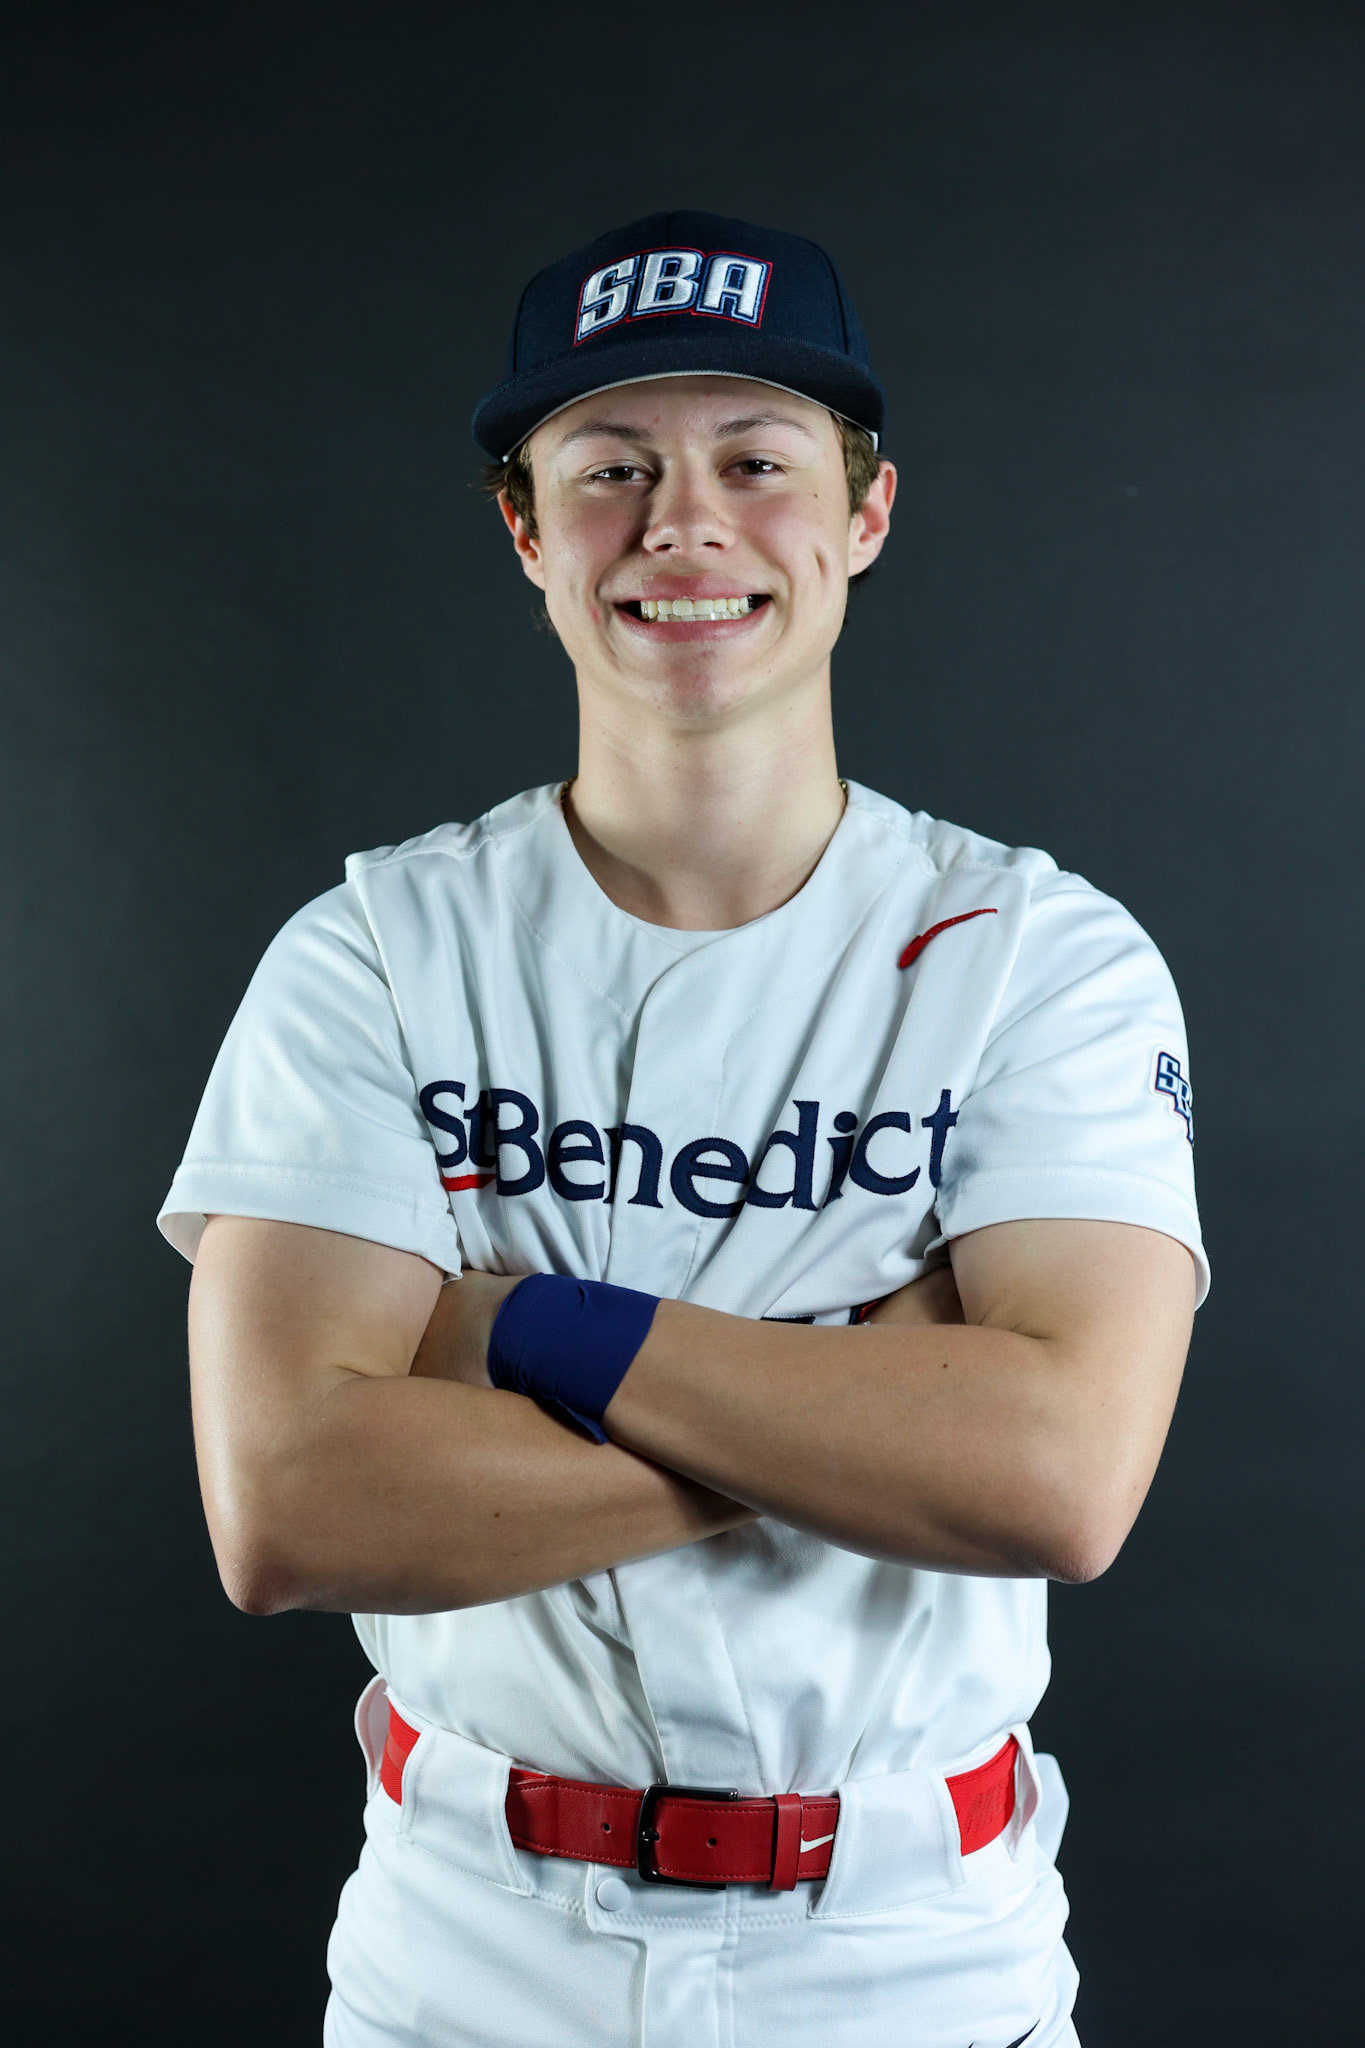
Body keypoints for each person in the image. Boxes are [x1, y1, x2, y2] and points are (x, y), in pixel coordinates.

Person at [159, 211, 1206, 2048]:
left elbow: (1055, 1482)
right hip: (470, 1953)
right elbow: (292, 1506)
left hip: (908, 1954)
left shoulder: (1038, 953)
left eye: (756, 460)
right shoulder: (378, 949)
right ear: (526, 531)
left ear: (864, 515)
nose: (684, 523)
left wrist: (523, 1329)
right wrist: (860, 1402)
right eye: (609, 468)